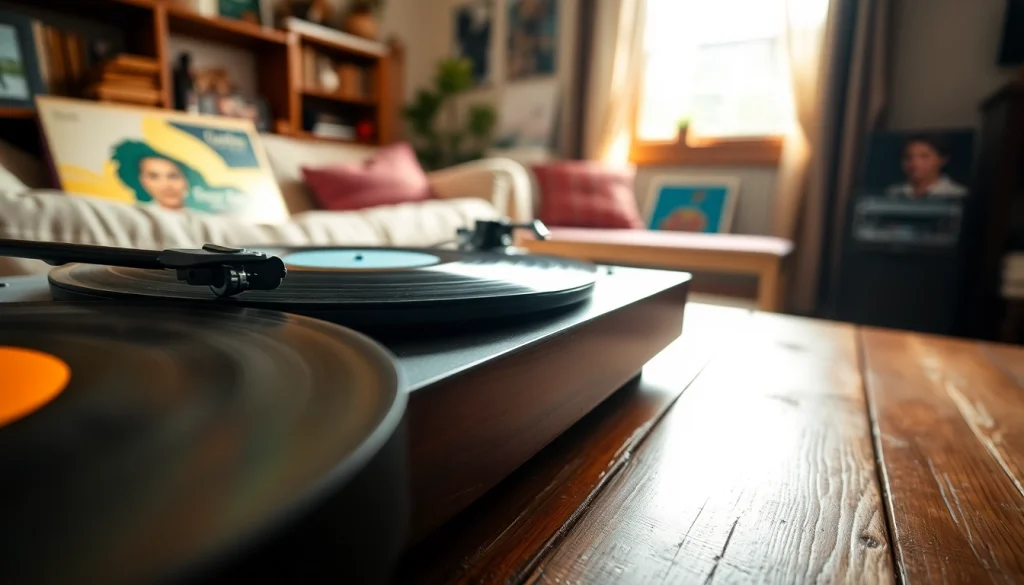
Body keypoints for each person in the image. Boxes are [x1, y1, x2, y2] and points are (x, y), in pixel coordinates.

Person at [112, 141, 195, 210]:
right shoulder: (132, 218)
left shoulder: (203, 221)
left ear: (186, 179)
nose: (166, 185)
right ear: (141, 181)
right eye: (153, 177)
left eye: (173, 176)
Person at [885, 134, 968, 199]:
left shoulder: (958, 194)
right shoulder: (892, 193)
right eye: (908, 157)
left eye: (924, 156)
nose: (914, 163)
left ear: (942, 160)